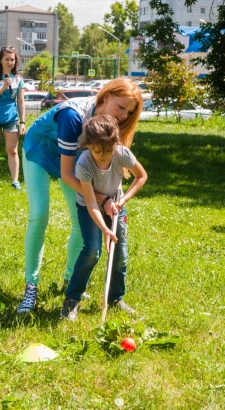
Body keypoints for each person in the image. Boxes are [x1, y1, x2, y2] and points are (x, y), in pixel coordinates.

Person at [17, 77, 143, 313]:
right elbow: (67, 175)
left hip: (72, 158)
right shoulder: (73, 117)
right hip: (41, 150)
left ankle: (69, 280)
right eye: (121, 107)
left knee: (79, 220)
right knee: (40, 215)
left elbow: (110, 170)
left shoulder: (108, 126)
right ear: (107, 97)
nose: (124, 115)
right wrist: (103, 200)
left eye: (130, 111)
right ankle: (30, 287)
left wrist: (113, 201)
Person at [60, 115, 147, 320]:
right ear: (88, 145)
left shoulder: (121, 153)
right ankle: (72, 299)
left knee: (120, 256)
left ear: (115, 144)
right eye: (97, 151)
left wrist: (123, 199)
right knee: (92, 251)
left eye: (108, 151)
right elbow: (91, 202)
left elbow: (141, 176)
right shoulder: (84, 163)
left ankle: (116, 298)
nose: (103, 157)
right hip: (89, 207)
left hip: (116, 206)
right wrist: (105, 229)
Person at [0, 46, 26, 190]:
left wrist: (22, 121)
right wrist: (2, 89)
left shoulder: (18, 79)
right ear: (0, 60)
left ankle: (15, 181)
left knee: (12, 150)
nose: (10, 62)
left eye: (12, 59)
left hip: (11, 118)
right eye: (7, 59)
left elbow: (20, 102)